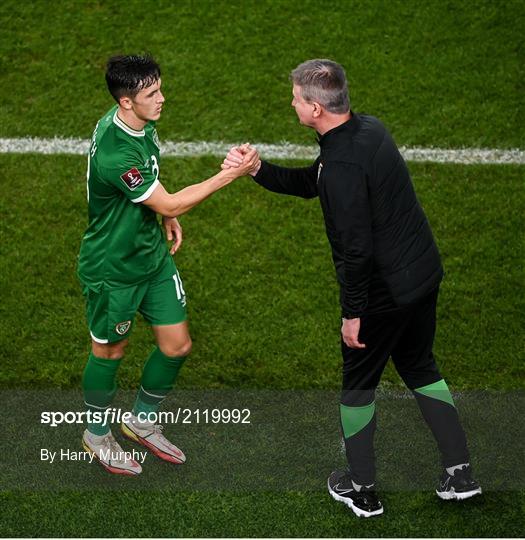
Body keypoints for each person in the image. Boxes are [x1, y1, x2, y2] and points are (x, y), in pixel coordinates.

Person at [223, 59, 481, 517]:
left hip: (383, 294)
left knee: (358, 388)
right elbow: (318, 181)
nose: (292, 103)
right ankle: (461, 473)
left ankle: (361, 489)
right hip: (422, 276)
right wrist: (258, 169)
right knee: (421, 368)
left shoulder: (341, 163)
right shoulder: (368, 132)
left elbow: (355, 251)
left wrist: (353, 313)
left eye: (298, 98)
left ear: (317, 109)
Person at [78, 54, 258, 475]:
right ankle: (96, 433)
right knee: (110, 351)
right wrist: (229, 174)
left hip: (151, 256)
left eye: (159, 88)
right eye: (151, 94)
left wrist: (164, 214)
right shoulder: (115, 154)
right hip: (113, 270)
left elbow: (156, 188)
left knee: (177, 345)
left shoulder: (140, 122)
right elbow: (170, 196)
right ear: (126, 102)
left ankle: (140, 421)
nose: (162, 98)